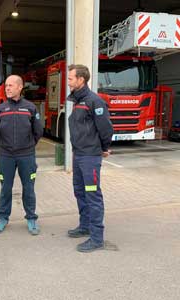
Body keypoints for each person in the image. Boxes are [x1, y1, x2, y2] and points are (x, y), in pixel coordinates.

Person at [67, 64, 113, 253]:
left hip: (89, 157)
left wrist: (103, 148)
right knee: (80, 192)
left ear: (81, 80)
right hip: (79, 155)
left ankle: (96, 238)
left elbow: (106, 129)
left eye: (70, 78)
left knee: (92, 195)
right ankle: (84, 226)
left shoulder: (94, 101)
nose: (68, 81)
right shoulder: (78, 101)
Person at [0, 75, 43, 235]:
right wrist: (6, 147)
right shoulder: (1, 109)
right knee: (5, 189)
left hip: (26, 155)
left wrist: (27, 145)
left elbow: (38, 131)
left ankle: (31, 219)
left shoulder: (30, 108)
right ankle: (2, 218)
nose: (7, 88)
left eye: (11, 85)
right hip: (6, 156)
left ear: (20, 87)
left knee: (29, 188)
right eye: (6, 85)